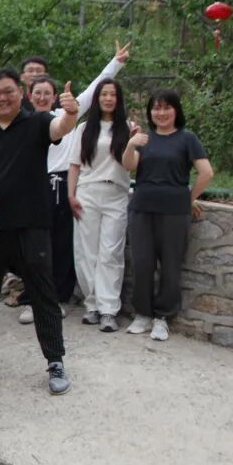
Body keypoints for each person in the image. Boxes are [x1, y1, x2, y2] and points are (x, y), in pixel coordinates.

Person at [0, 68, 79, 395]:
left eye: (8, 92)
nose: (2, 98)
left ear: (21, 93)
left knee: (43, 294)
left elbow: (61, 127)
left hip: (32, 225)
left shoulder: (38, 122)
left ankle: (55, 360)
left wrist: (71, 113)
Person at [17, 41, 129, 324]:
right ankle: (31, 299)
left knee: (64, 246)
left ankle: (58, 299)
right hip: (33, 185)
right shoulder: (21, 121)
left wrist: (116, 62)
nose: (42, 97)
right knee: (33, 246)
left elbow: (94, 91)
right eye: (37, 93)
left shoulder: (66, 118)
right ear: (29, 95)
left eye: (47, 93)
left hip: (64, 184)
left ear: (55, 96)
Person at [121, 89, 213, 341]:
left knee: (171, 265)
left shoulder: (187, 138)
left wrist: (189, 198)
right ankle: (142, 314)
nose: (161, 113)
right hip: (142, 208)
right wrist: (130, 144)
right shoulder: (144, 138)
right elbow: (129, 165)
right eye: (156, 108)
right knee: (142, 263)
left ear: (176, 110)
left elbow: (206, 173)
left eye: (166, 107)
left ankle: (162, 318)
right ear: (150, 112)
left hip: (174, 211)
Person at [68, 79, 132, 332]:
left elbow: (132, 163)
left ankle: (109, 309)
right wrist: (71, 194)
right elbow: (74, 165)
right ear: (97, 98)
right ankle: (92, 304)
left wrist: (134, 142)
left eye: (113, 94)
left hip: (116, 193)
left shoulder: (128, 128)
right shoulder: (84, 129)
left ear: (119, 99)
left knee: (111, 252)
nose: (108, 98)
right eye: (104, 94)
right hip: (87, 192)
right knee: (86, 252)